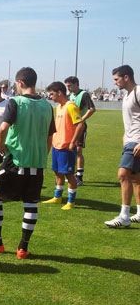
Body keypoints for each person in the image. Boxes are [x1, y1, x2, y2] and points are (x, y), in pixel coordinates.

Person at [0, 67, 55, 259]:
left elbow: (3, 128)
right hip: (38, 162)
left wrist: (1, 146)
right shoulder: (47, 105)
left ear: (19, 83)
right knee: (31, 204)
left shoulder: (16, 102)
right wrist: (43, 153)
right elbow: (51, 136)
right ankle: (23, 248)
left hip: (16, 159)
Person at [104, 65, 140, 228]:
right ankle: (139, 213)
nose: (114, 83)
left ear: (126, 77)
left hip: (136, 141)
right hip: (130, 140)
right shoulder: (126, 96)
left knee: (123, 175)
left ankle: (124, 216)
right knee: (135, 178)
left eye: (116, 79)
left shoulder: (138, 92)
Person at [43, 82, 86, 210]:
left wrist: (73, 142)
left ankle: (71, 202)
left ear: (59, 92)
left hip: (66, 147)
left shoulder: (70, 106)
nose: (50, 96)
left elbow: (80, 125)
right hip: (57, 145)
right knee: (57, 173)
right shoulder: (59, 107)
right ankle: (58, 197)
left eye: (52, 94)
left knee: (69, 175)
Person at [64, 76, 96, 186]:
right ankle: (71, 174)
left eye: (69, 85)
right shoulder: (70, 95)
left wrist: (82, 119)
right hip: (70, 127)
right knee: (70, 149)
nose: (68, 87)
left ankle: (79, 177)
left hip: (80, 127)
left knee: (78, 151)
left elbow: (92, 109)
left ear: (76, 84)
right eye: (67, 85)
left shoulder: (84, 95)